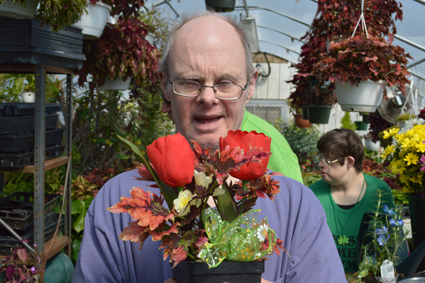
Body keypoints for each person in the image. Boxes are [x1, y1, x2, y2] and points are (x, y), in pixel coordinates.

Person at [72, 11, 346, 283]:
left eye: (225, 82)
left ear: (250, 86)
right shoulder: (116, 200)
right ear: (165, 87)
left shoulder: (297, 207)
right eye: (190, 82)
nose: (207, 97)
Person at [309, 129, 396, 273]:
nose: (320, 164)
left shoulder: (379, 192)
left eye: (328, 160)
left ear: (350, 162)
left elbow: (393, 243)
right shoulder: (313, 194)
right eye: (320, 158)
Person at [161, 99, 303, 183]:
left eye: (225, 83)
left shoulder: (268, 141)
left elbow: (296, 206)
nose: (163, 109)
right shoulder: (184, 136)